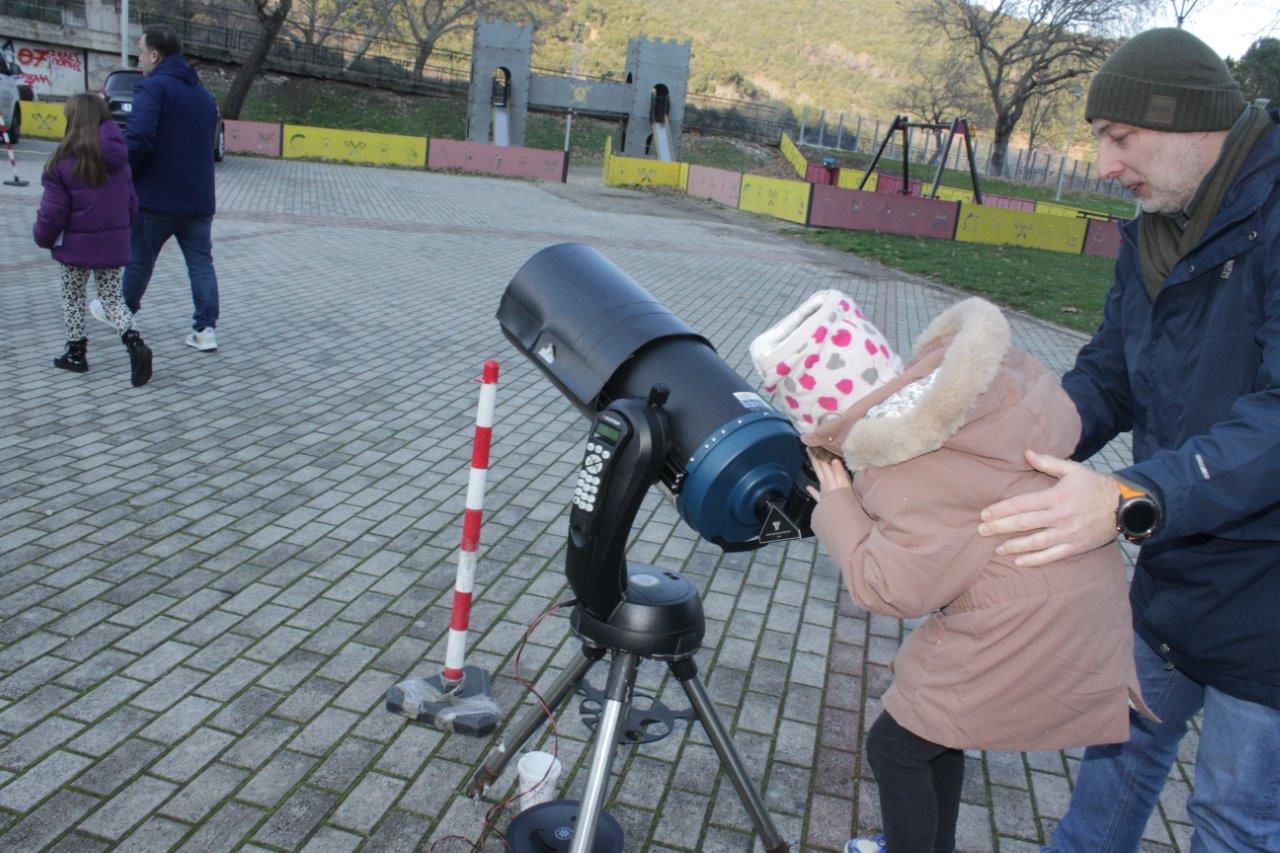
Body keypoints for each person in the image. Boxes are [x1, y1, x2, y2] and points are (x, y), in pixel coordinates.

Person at [973, 29, 1280, 852]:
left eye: (1119, 138)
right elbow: (1110, 374)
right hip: (1174, 568)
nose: (1106, 164)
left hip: (1268, 597)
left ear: (1189, 123)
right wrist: (1014, 439)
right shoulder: (1154, 225)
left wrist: (1129, 495)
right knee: (1117, 759)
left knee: (1233, 818)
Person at [752, 294, 1150, 853]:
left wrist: (838, 506)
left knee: (896, 747)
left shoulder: (906, 468)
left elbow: (891, 586)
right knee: (934, 734)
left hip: (1022, 621)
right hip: (1071, 597)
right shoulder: (970, 413)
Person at [90, 23, 220, 352]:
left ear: (155, 54)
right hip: (198, 199)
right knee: (201, 263)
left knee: (139, 259)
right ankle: (205, 331)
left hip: (157, 197)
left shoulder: (152, 88)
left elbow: (139, 137)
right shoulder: (203, 95)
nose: (138, 57)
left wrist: (119, 172)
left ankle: (120, 310)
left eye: (141, 50)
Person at [34, 93, 151, 387]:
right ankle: (135, 344)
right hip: (113, 243)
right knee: (112, 298)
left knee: (73, 297)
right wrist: (120, 231)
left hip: (74, 247)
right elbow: (132, 204)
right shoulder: (119, 160)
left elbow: (52, 213)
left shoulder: (63, 163)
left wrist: (42, 237)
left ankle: (76, 354)